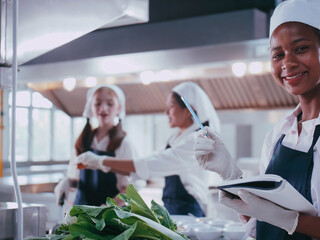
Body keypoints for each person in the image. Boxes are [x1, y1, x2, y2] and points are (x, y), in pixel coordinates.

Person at [193, 0, 320, 239]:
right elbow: (262, 223)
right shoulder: (278, 134)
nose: (288, 63)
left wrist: (292, 220)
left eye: (301, 48)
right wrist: (231, 176)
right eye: (278, 54)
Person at [76, 81, 220, 217]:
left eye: (171, 106)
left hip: (190, 211)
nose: (166, 112)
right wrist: (98, 164)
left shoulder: (198, 140)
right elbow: (144, 170)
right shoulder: (174, 139)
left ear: (189, 111)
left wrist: (102, 162)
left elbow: (149, 165)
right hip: (171, 210)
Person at [54, 84, 135, 206]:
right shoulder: (84, 140)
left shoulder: (123, 142)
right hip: (82, 210)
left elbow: (131, 188)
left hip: (110, 214)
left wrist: (109, 207)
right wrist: (67, 182)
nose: (103, 108)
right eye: (97, 103)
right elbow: (77, 175)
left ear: (119, 108)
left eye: (109, 104)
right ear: (90, 107)